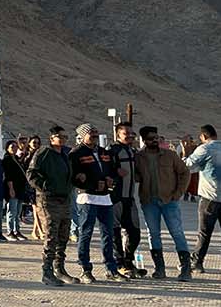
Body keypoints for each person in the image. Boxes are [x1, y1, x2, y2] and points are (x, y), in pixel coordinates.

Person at [67, 124, 128, 282]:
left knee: (108, 233)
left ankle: (111, 268)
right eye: (90, 133)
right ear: (82, 135)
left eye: (95, 132)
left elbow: (112, 171)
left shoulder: (104, 153)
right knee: (86, 233)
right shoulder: (76, 153)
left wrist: (111, 179)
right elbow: (74, 177)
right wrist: (91, 184)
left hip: (105, 198)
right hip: (87, 197)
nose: (94, 135)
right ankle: (85, 269)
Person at [134, 125, 192, 280]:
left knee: (177, 233)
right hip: (149, 201)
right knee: (153, 234)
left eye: (156, 137)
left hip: (169, 200)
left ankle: (186, 268)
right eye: (151, 138)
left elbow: (185, 172)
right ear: (144, 140)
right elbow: (136, 176)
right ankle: (159, 268)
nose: (155, 140)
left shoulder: (170, 155)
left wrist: (179, 192)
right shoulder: (139, 158)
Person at [185, 124, 221, 275]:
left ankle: (197, 262)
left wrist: (185, 153)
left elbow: (188, 165)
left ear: (203, 137)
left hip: (210, 196)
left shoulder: (205, 148)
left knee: (204, 232)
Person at [29, 127, 73, 285]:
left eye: (64, 136)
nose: (61, 139)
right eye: (58, 136)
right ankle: (47, 271)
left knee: (63, 234)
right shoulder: (44, 152)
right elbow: (31, 174)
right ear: (51, 138)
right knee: (51, 235)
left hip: (64, 198)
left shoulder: (65, 154)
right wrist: (45, 186)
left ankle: (59, 268)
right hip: (49, 200)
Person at [108, 122, 146, 276]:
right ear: (118, 134)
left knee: (134, 232)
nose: (130, 136)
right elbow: (104, 168)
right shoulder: (112, 150)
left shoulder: (132, 150)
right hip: (116, 197)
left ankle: (128, 261)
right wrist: (116, 171)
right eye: (126, 133)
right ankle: (119, 264)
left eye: (132, 133)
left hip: (129, 198)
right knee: (115, 232)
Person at [2, 139, 30, 240]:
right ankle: (10, 231)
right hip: (12, 188)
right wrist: (11, 189)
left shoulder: (17, 159)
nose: (14, 148)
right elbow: (8, 176)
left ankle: (17, 230)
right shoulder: (7, 159)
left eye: (15, 146)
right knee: (12, 211)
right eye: (12, 147)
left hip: (20, 188)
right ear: (7, 148)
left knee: (18, 212)